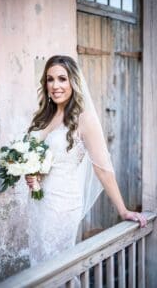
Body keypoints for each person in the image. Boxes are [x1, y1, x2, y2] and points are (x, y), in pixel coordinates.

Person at [25, 55, 147, 267]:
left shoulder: (84, 118)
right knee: (39, 263)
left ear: (74, 81)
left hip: (63, 204)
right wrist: (33, 173)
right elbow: (42, 158)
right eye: (50, 79)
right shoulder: (44, 116)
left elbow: (103, 169)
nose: (55, 85)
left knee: (57, 266)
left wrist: (123, 210)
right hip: (38, 203)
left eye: (62, 79)